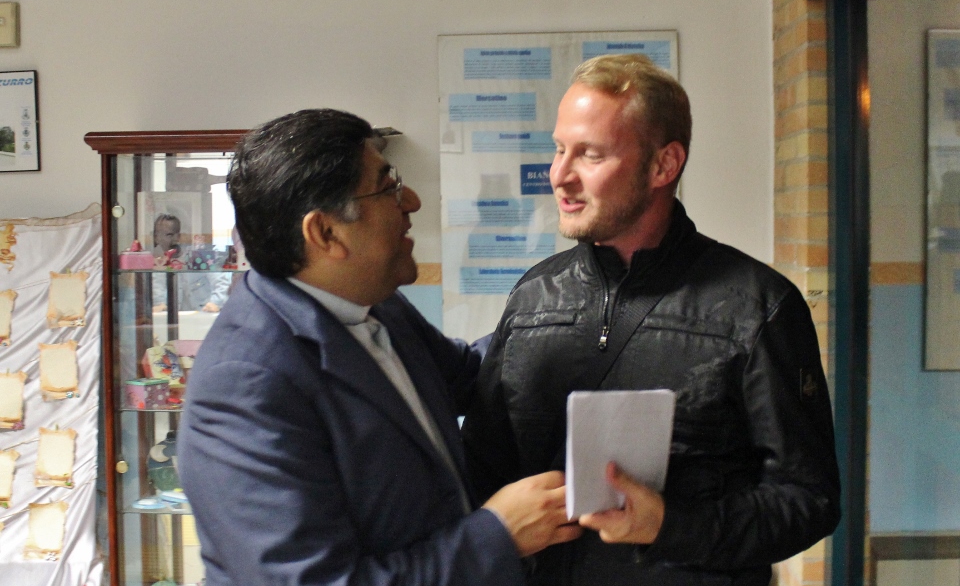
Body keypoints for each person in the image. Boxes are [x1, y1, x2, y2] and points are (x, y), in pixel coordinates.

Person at [461, 54, 841, 586]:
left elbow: (808, 500)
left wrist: (669, 526)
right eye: (559, 149)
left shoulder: (757, 307)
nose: (559, 176)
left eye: (590, 154)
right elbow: (481, 468)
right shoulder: (532, 297)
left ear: (665, 165)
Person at [177, 108, 580, 586]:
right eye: (388, 187)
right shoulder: (244, 383)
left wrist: (575, 303)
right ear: (326, 233)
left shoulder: (376, 303)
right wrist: (498, 536)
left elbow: (474, 374)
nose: (411, 201)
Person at [151, 213, 230, 313]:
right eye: (159, 235)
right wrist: (160, 306)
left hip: (204, 316)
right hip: (176, 319)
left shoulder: (199, 257)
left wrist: (215, 303)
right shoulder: (159, 264)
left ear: (179, 236)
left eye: (169, 235)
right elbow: (158, 295)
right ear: (156, 238)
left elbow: (222, 284)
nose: (162, 239)